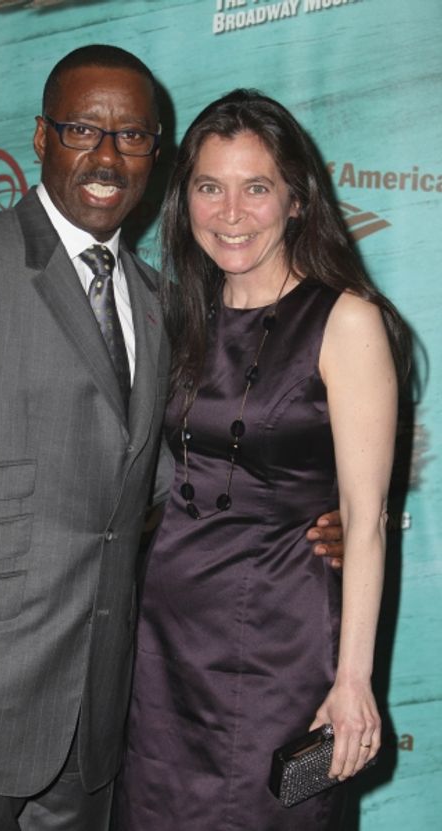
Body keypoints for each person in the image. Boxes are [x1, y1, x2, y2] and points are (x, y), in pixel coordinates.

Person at [0, 48, 343, 831]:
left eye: (134, 136)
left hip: (98, 715)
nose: (108, 156)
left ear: (158, 152)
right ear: (41, 136)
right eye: (83, 129)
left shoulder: (161, 302)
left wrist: (310, 518)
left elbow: (182, 481)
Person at [115, 89, 408, 831]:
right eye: (211, 187)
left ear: (297, 200)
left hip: (282, 645)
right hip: (161, 651)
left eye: (256, 188)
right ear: (187, 200)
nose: (231, 212)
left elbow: (367, 522)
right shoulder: (175, 315)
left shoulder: (345, 320)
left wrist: (353, 679)